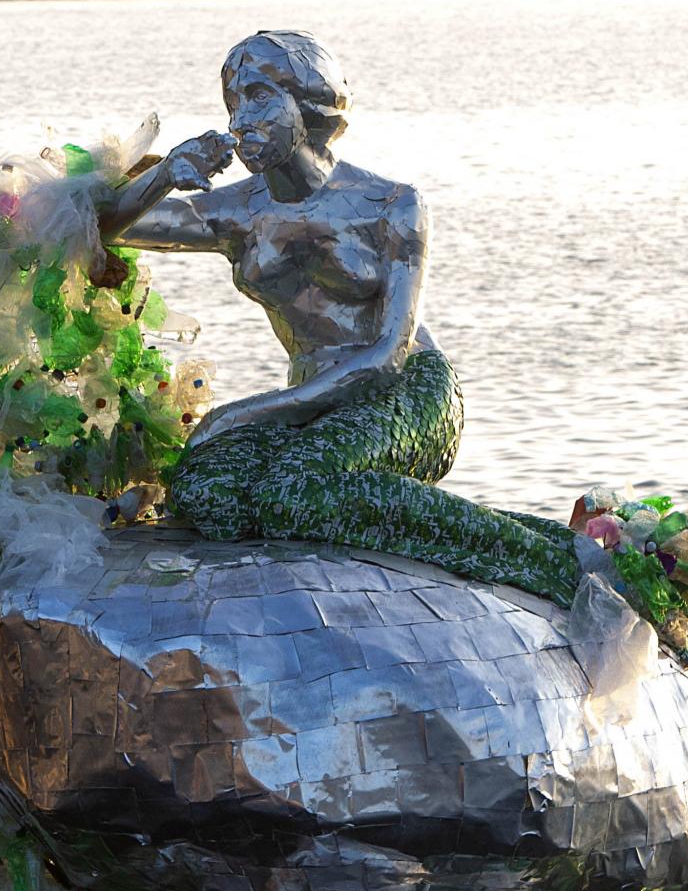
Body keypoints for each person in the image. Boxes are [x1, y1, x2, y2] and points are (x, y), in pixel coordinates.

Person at [98, 30, 580, 605]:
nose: (239, 121)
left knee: (294, 491)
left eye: (257, 97)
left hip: (405, 390)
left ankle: (550, 559)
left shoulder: (390, 204)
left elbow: (387, 355)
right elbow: (96, 228)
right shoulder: (232, 212)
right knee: (206, 492)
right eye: (230, 104)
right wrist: (162, 176)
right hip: (311, 402)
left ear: (309, 101)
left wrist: (238, 414)